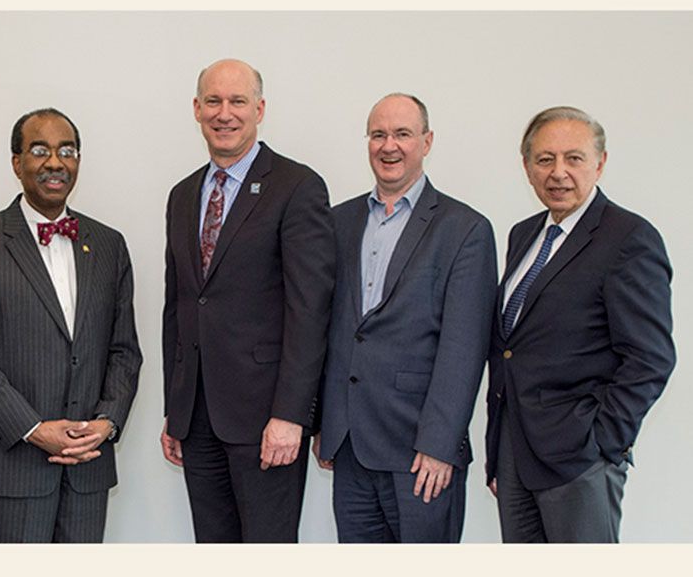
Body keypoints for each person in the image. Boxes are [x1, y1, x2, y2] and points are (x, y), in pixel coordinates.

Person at [0, 108, 141, 543]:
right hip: (12, 469)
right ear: (17, 163)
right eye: (40, 150)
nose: (55, 162)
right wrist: (34, 430)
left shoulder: (109, 244)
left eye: (66, 151)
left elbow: (124, 350)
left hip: (88, 468)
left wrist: (106, 423)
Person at [160, 59, 335, 542]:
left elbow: (310, 311)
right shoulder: (182, 195)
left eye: (238, 101)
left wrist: (291, 415)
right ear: (196, 109)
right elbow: (179, 307)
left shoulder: (297, 187)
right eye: (213, 101)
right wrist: (175, 409)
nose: (225, 113)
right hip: (197, 420)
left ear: (260, 109)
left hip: (266, 422)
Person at [485, 106, 674, 543]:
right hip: (516, 454)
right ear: (527, 167)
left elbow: (651, 358)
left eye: (574, 158)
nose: (559, 172)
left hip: (580, 458)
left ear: (600, 163)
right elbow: (511, 347)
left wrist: (603, 442)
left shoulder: (628, 238)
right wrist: (502, 454)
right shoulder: (524, 234)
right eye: (545, 159)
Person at [312, 93, 496, 542]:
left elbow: (464, 348)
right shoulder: (339, 221)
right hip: (351, 445)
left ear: (427, 141)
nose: (388, 146)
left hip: (420, 453)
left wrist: (439, 446)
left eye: (402, 134)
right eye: (378, 134)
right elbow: (329, 328)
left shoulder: (465, 229)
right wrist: (326, 422)